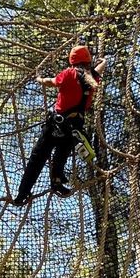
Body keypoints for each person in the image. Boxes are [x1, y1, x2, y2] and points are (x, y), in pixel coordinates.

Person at [11, 46, 106, 206]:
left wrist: (39, 79)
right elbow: (98, 70)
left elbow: (52, 82)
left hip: (57, 124)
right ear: (88, 61)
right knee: (61, 155)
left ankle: (23, 193)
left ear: (72, 61)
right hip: (74, 127)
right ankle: (56, 181)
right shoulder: (92, 78)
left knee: (38, 158)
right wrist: (104, 61)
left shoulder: (69, 73)